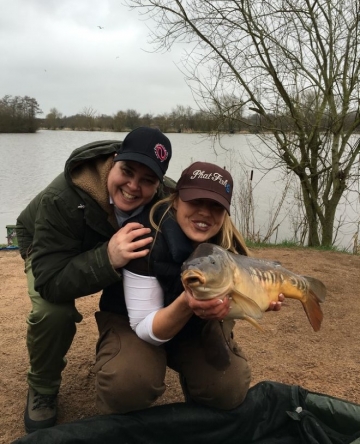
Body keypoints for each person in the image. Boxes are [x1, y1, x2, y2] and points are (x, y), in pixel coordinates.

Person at [16, 127, 173, 433]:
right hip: (50, 248)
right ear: (114, 161)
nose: (133, 186)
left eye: (147, 181)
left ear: (159, 184)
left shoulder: (167, 195)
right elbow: (48, 279)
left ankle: (128, 356)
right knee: (53, 311)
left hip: (113, 247)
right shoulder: (62, 196)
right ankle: (43, 387)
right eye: (127, 171)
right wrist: (107, 258)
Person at [94, 161, 284, 414]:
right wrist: (186, 303)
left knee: (228, 387)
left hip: (193, 324)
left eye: (216, 206)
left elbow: (237, 303)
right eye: (195, 201)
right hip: (134, 323)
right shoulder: (142, 236)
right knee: (128, 384)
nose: (205, 213)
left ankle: (197, 392)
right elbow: (144, 327)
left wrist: (248, 304)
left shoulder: (228, 246)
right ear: (175, 200)